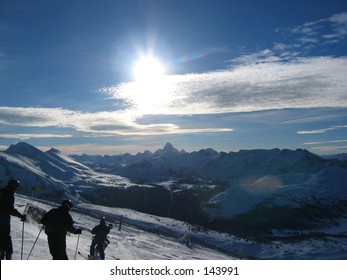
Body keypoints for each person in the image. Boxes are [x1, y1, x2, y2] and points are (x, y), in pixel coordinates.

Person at [0, 179, 26, 260]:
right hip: (3, 221)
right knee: (5, 239)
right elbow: (9, 209)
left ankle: (4, 253)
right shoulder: (6, 194)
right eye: (16, 187)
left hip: (5, 221)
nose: (16, 189)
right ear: (13, 186)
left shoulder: (7, 193)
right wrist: (20, 216)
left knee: (4, 239)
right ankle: (6, 254)